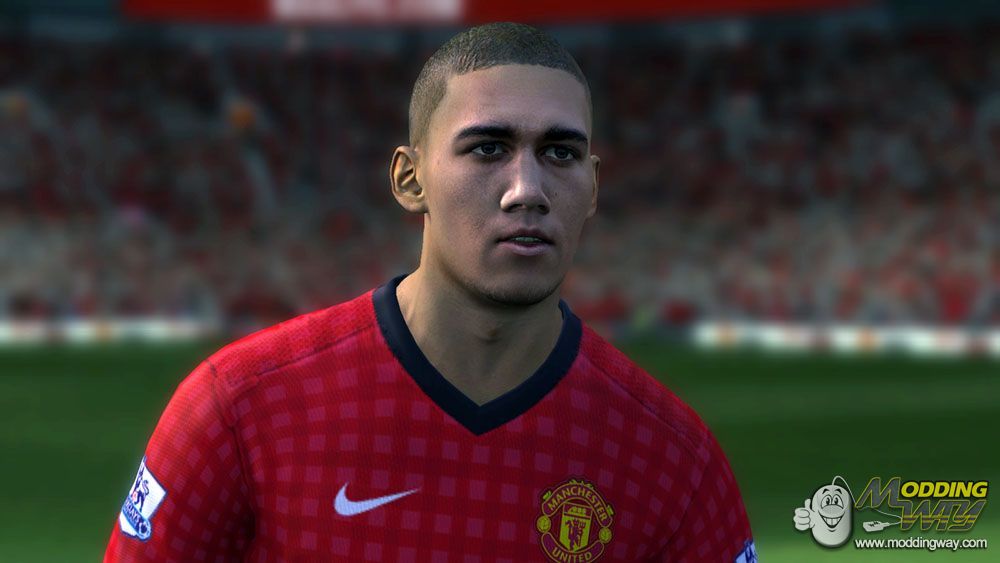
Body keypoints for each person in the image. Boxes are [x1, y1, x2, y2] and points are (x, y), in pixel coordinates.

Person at [105, 22, 755, 562]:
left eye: (559, 153)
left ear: (592, 188)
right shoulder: (236, 408)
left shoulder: (675, 462)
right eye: (488, 148)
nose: (527, 190)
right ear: (409, 179)